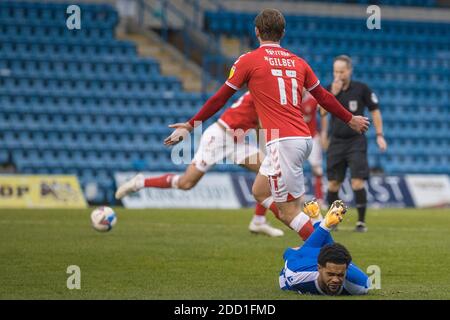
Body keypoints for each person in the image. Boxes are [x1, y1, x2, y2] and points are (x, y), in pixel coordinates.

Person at [163, 9, 369, 241]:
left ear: (257, 32)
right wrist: (350, 118)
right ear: (283, 33)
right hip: (300, 139)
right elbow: (324, 97)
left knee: (288, 212)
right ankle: (315, 228)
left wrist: (191, 125)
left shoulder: (248, 60)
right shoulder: (298, 62)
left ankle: (327, 253)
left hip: (283, 142)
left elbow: (220, 98)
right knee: (260, 191)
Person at [115, 91, 284, 237]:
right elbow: (262, 125)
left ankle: (258, 221)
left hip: (237, 142)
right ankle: (140, 182)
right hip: (218, 137)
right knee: (186, 183)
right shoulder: (264, 93)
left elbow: (256, 124)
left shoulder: (266, 92)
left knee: (268, 172)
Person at [321, 55, 387, 232]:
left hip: (356, 141)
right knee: (334, 183)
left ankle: (361, 222)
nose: (338, 75)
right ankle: (332, 221)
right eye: (335, 71)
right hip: (336, 141)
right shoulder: (329, 89)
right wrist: (332, 95)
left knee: (357, 182)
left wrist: (379, 135)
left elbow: (375, 111)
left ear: (349, 71)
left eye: (342, 71)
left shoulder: (361, 89)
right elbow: (321, 113)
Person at [279, 200, 370, 296]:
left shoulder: (360, 285)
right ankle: (320, 221)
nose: (335, 280)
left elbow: (366, 283)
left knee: (332, 254)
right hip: (301, 259)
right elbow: (297, 253)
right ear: (319, 268)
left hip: (308, 256)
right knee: (292, 251)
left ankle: (318, 219)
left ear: (346, 271)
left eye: (340, 275)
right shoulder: (296, 275)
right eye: (330, 274)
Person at [300, 89, 324, 206]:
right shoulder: (292, 99)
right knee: (295, 168)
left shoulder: (312, 100)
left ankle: (320, 198)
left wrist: (323, 133)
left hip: (313, 137)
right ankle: (298, 197)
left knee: (317, 169)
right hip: (298, 138)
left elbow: (323, 110)